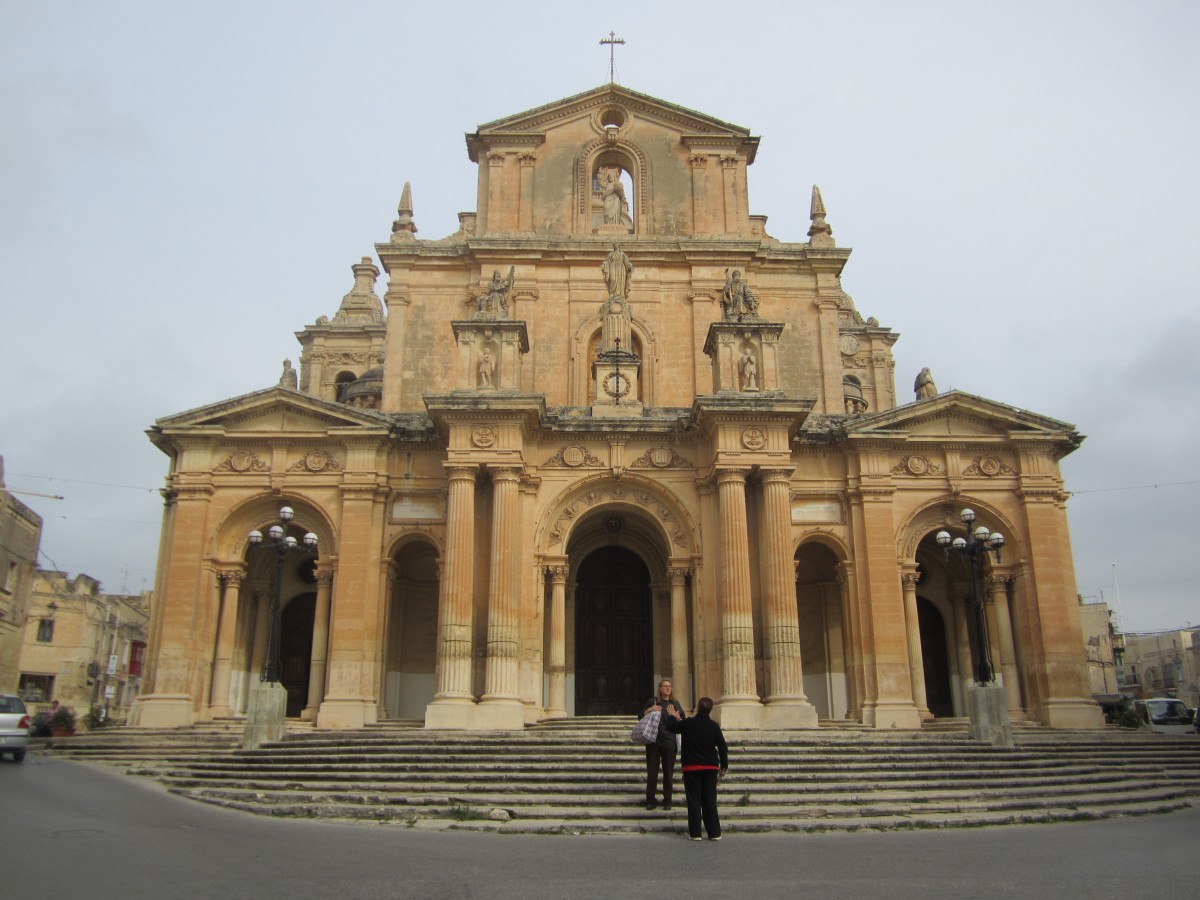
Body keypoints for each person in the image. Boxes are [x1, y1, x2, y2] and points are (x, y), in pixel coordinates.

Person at [663, 696, 728, 841]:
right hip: (710, 767)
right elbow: (723, 747)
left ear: (698, 707)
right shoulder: (713, 726)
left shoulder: (689, 724)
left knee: (694, 800)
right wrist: (724, 766)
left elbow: (671, 727)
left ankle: (695, 833)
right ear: (710, 709)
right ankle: (714, 833)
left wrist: (672, 716)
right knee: (710, 800)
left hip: (691, 767)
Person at [640, 679, 685, 810]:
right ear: (659, 688)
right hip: (653, 741)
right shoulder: (653, 702)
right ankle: (651, 799)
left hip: (669, 741)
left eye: (669, 686)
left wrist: (676, 716)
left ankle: (667, 799)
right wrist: (650, 710)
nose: (667, 688)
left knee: (668, 772)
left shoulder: (675, 703)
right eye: (664, 686)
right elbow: (640, 716)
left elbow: (682, 720)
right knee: (652, 772)